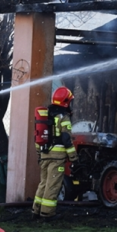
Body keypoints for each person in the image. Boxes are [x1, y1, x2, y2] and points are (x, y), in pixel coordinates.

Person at [33, 86, 78, 218]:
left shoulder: (46, 115)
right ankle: (47, 213)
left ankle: (36, 210)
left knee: (43, 183)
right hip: (57, 158)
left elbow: (37, 137)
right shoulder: (63, 117)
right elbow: (66, 138)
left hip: (44, 155)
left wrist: (39, 155)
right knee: (53, 185)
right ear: (65, 101)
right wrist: (73, 157)